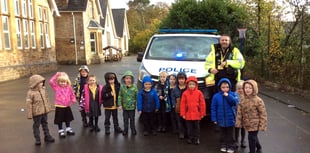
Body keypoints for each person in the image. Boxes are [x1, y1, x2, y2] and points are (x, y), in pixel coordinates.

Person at [236, 80, 267, 153]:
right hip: (246, 123)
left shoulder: (258, 100)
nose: (247, 89)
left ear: (254, 89)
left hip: (255, 124)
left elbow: (263, 114)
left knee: (251, 138)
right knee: (253, 137)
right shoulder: (242, 100)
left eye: (250, 88)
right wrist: (238, 122)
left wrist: (262, 125)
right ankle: (259, 147)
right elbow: (239, 112)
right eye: (246, 87)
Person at [26, 74, 55, 145]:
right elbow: (28, 104)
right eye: (40, 82)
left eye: (42, 82)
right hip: (36, 113)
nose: (42, 84)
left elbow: (47, 99)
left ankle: (47, 136)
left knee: (45, 124)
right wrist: (29, 114)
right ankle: (37, 139)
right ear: (35, 83)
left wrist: (48, 108)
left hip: (44, 111)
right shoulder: (30, 93)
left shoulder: (43, 90)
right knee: (36, 125)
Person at [211, 78, 239, 153]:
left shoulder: (233, 94)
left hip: (230, 119)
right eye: (223, 87)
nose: (225, 89)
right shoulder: (216, 96)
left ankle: (231, 146)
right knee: (222, 134)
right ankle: (223, 145)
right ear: (220, 87)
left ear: (229, 87)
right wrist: (214, 119)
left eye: (227, 87)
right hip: (220, 119)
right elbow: (213, 108)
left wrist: (228, 96)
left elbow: (235, 103)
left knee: (230, 134)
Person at [49, 72, 77, 138]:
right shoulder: (56, 87)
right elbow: (51, 81)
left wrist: (73, 99)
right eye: (61, 82)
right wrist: (56, 75)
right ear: (58, 82)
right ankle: (60, 130)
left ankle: (68, 128)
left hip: (67, 106)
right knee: (59, 119)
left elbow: (72, 94)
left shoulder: (69, 88)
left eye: (64, 82)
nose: (62, 83)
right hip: (59, 106)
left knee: (68, 118)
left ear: (67, 82)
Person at [180, 76, 206, 145]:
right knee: (189, 128)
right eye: (190, 84)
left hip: (197, 114)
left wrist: (202, 113)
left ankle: (196, 138)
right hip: (188, 115)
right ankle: (190, 138)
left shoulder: (199, 93)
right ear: (187, 85)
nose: (191, 86)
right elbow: (183, 105)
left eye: (193, 84)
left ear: (196, 85)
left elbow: (202, 104)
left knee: (196, 128)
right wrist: (183, 114)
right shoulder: (185, 93)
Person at [118, 71, 138, 135]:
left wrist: (138, 106)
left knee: (132, 119)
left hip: (132, 107)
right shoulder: (122, 87)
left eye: (130, 78)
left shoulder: (134, 87)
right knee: (125, 119)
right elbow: (119, 96)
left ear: (132, 79)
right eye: (127, 78)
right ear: (124, 79)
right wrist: (119, 105)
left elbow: (137, 96)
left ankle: (133, 129)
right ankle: (125, 129)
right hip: (125, 107)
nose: (128, 80)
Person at [171, 72, 187, 139]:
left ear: (185, 79)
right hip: (178, 108)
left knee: (186, 121)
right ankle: (181, 133)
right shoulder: (175, 89)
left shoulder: (187, 88)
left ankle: (187, 132)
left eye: (182, 79)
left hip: (186, 108)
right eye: (179, 79)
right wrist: (174, 105)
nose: (181, 80)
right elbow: (172, 97)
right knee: (179, 121)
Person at [234, 80, 247, 148]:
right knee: (237, 128)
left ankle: (243, 140)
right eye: (239, 88)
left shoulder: (246, 96)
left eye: (242, 88)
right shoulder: (234, 95)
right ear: (236, 89)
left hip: (244, 116)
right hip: (237, 115)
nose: (241, 90)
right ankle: (236, 140)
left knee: (243, 128)